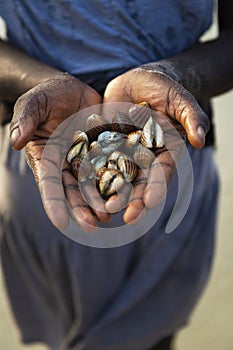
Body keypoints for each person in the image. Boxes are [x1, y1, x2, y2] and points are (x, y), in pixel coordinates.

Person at [0, 1, 232, 349]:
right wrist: (39, 85)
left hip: (171, 151)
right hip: (45, 151)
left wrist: (176, 77)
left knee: (152, 334)